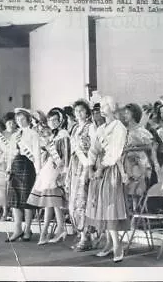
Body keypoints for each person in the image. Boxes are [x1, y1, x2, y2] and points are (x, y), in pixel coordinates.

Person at [86, 96, 128, 263]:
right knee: (101, 206)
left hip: (111, 170)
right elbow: (93, 149)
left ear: (112, 108)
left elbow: (114, 152)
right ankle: (108, 243)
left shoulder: (119, 127)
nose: (101, 109)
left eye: (104, 106)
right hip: (98, 169)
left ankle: (118, 245)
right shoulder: (101, 127)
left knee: (110, 206)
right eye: (100, 106)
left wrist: (100, 168)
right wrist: (90, 167)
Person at [27, 107, 70, 245]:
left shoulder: (63, 133)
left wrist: (63, 172)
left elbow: (65, 155)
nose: (52, 122)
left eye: (55, 120)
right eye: (50, 120)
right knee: (50, 201)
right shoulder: (53, 134)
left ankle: (50, 231)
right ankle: (56, 229)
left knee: (51, 200)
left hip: (57, 168)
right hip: (49, 167)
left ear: (60, 120)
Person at [5, 108, 40, 243]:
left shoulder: (33, 134)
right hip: (16, 166)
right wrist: (8, 169)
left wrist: (38, 171)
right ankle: (17, 228)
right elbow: (10, 154)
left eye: (22, 119)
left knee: (26, 200)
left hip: (28, 166)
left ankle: (27, 229)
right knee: (15, 200)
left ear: (28, 119)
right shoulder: (14, 135)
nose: (19, 121)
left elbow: (36, 153)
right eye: (17, 119)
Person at [66, 100, 96, 251]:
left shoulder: (91, 127)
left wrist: (88, 168)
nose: (78, 113)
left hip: (85, 166)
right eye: (76, 111)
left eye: (82, 111)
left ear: (87, 112)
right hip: (75, 166)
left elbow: (93, 150)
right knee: (73, 202)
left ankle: (86, 237)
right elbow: (72, 151)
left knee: (83, 201)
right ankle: (82, 234)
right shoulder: (74, 128)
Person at [122, 103, 153, 212]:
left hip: (138, 163)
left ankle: (138, 214)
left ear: (134, 114)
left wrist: (132, 149)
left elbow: (150, 146)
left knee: (137, 190)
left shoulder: (140, 130)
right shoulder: (124, 130)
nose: (124, 115)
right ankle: (131, 215)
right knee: (128, 189)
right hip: (126, 163)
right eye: (124, 113)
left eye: (127, 113)